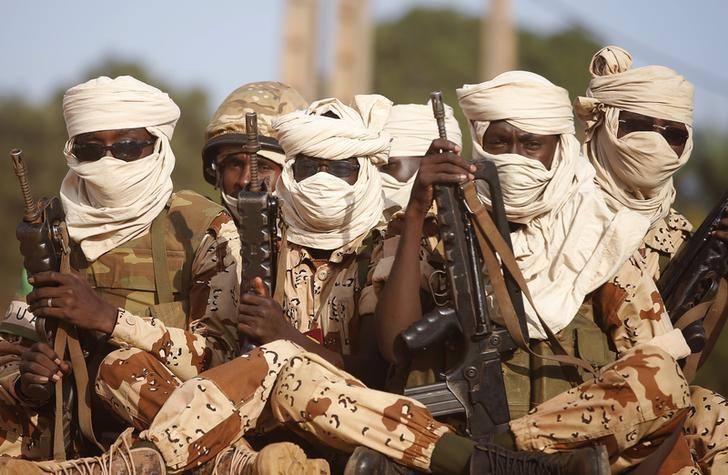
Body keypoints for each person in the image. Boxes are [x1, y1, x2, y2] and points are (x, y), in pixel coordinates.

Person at [375, 70, 693, 473]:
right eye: (499, 142)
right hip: (451, 445)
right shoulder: (438, 222)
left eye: (531, 144)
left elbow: (661, 374)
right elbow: (391, 347)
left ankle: (499, 453)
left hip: (560, 456)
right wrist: (417, 211)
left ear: (559, 148)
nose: (515, 156)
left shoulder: (597, 235)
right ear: (480, 144)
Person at [575, 45, 728, 474]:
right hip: (566, 402)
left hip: (647, 403)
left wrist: (721, 276)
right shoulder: (557, 212)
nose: (655, 142)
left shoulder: (677, 234)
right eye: (638, 126)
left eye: (672, 133)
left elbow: (687, 360)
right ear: (604, 123)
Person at [201, 81, 308, 223]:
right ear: (217, 173)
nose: (244, 180)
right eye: (234, 164)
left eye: (263, 167)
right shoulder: (192, 234)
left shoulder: (327, 236)